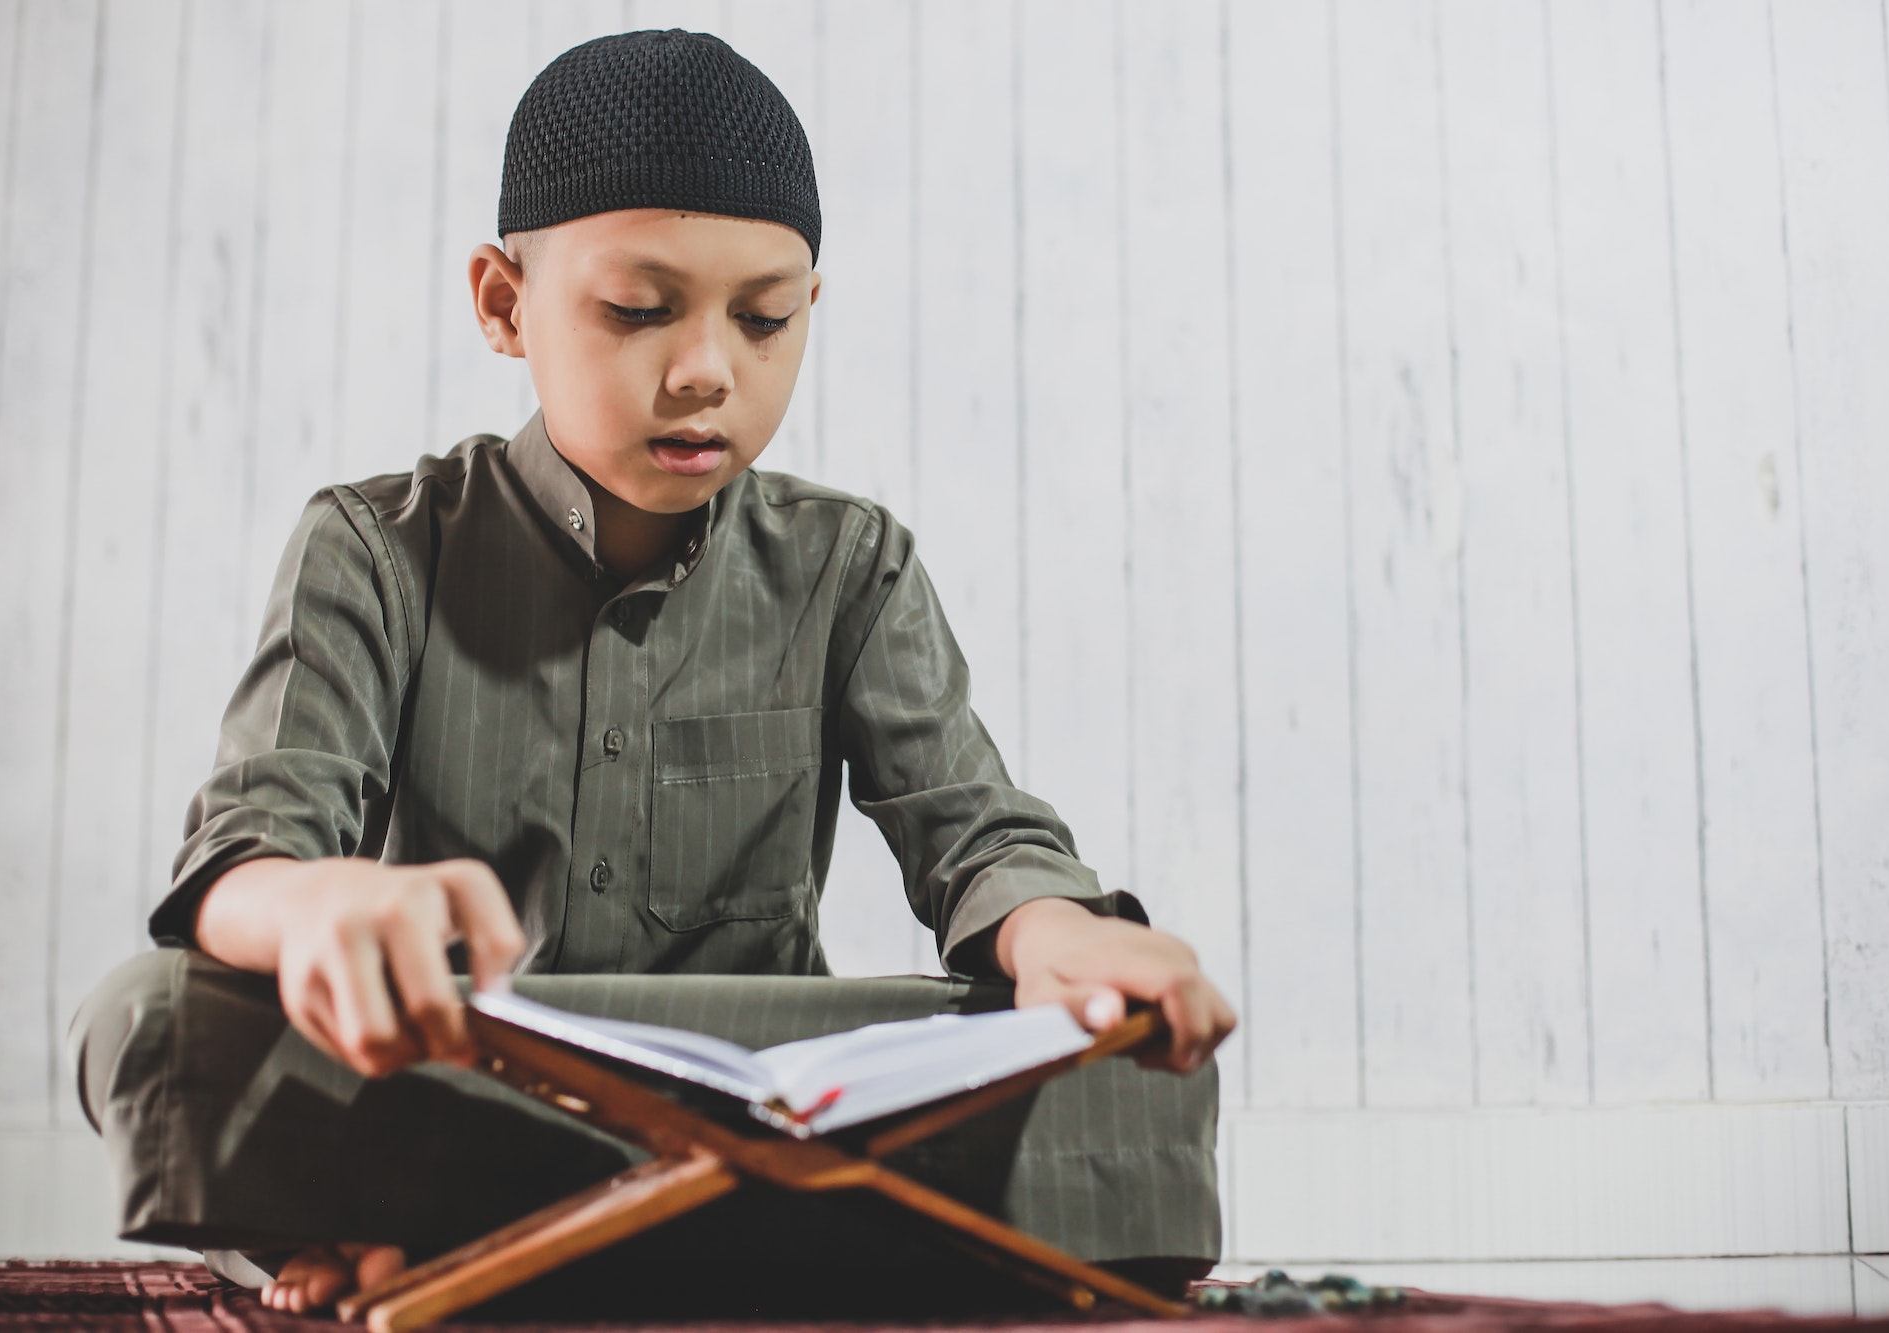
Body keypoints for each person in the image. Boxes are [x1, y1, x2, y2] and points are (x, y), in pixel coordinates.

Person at [68, 28, 1235, 1317]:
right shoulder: (379, 547)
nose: (706, 370)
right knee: (157, 1016)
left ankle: (450, 1239)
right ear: (504, 305)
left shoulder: (850, 564)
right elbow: (248, 853)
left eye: (765, 319)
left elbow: (975, 837)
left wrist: (1061, 934)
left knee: (1122, 1053)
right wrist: (310, 909)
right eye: (638, 309)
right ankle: (760, 1240)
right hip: (464, 1074)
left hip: (773, 1082)